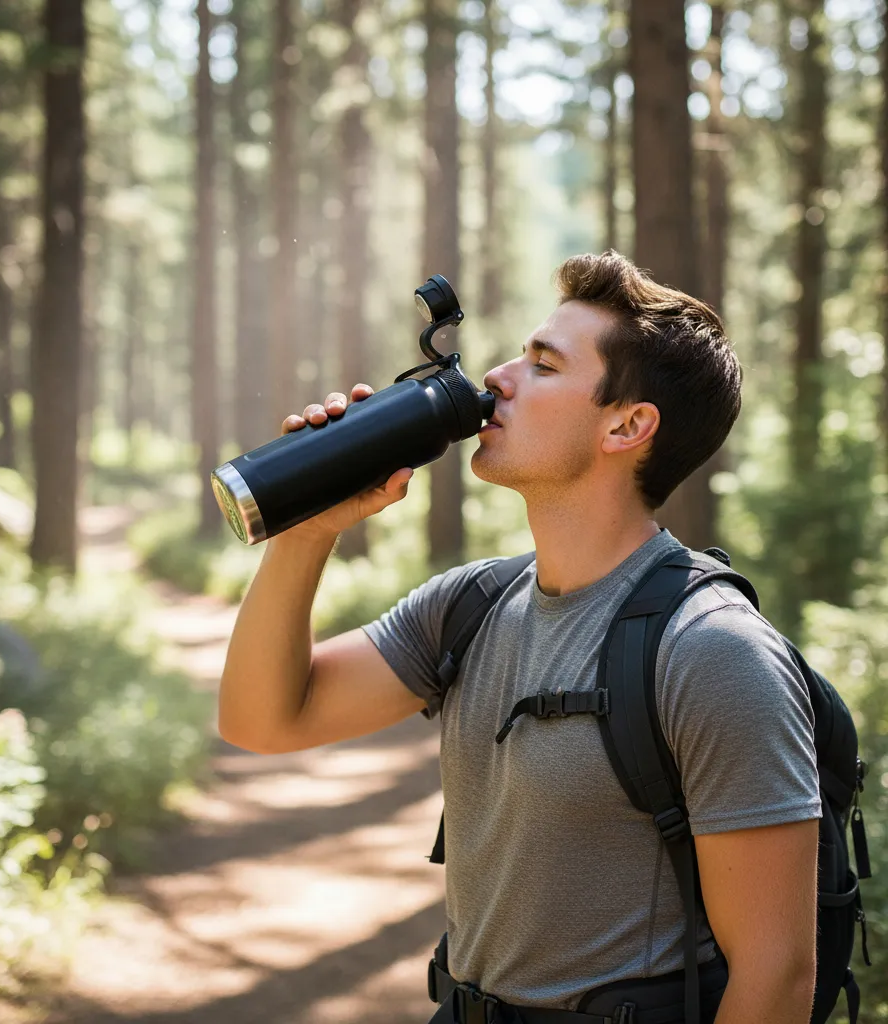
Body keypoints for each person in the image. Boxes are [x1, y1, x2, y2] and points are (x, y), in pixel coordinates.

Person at [219, 251, 821, 1023]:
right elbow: (262, 719)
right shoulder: (471, 605)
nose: (497, 377)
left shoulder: (712, 651)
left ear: (627, 425)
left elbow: (776, 977)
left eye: (542, 364)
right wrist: (305, 534)